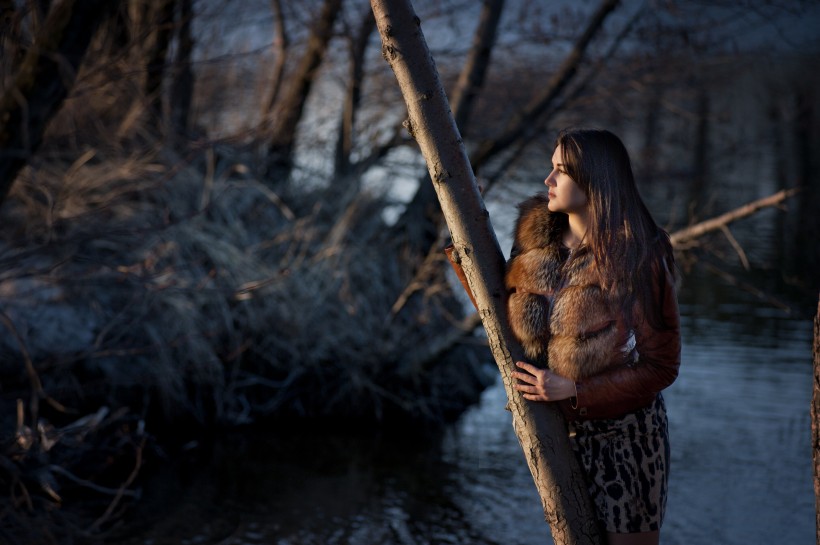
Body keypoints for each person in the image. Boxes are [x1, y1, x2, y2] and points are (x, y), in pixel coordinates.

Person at [506, 128, 681, 545]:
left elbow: (662, 365)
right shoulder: (535, 236)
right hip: (555, 435)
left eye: (560, 172)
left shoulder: (637, 253)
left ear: (594, 179)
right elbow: (505, 315)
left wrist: (575, 389)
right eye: (551, 169)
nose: (548, 180)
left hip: (625, 440)